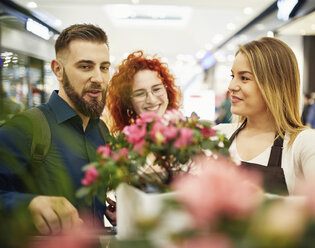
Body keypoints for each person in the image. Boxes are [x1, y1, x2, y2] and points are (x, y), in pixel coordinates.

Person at [214, 37, 315, 221]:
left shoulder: (304, 143)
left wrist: (261, 203)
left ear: (273, 84)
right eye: (233, 76)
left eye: (244, 78)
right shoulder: (219, 135)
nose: (231, 86)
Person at [0, 24, 115, 235]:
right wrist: (28, 204)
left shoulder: (101, 130)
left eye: (104, 67)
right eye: (85, 67)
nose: (98, 78)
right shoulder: (27, 128)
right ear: (58, 70)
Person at [105, 50, 182, 135]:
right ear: (128, 102)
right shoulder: (125, 144)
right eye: (140, 94)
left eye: (156, 89)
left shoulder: (191, 136)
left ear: (167, 90)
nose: (151, 100)